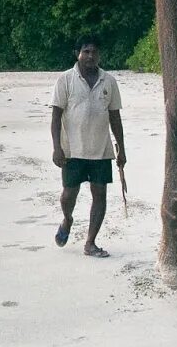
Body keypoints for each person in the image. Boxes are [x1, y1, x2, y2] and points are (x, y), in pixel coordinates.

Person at [50, 37, 125, 258]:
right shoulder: (65, 80)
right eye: (86, 51)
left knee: (99, 194)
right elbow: (55, 118)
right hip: (72, 150)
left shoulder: (108, 81)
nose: (90, 56)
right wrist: (57, 148)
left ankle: (90, 243)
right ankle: (68, 219)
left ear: (99, 55)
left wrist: (121, 149)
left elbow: (115, 117)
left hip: (101, 150)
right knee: (68, 194)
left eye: (94, 52)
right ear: (77, 54)